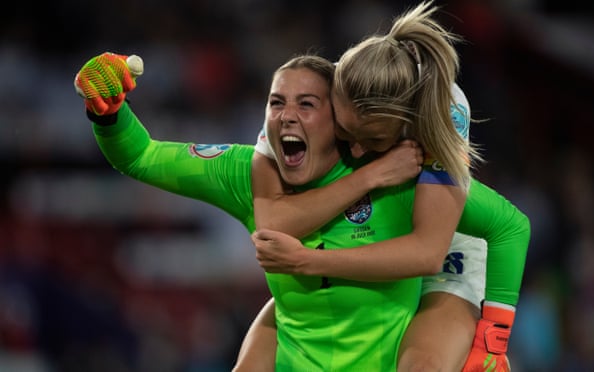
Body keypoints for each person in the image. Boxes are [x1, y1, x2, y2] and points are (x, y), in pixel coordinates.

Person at [75, 51, 527, 370]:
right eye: (276, 103)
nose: (286, 116)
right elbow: (140, 156)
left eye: (307, 105)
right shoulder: (244, 173)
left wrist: (494, 332)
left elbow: (507, 226)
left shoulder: (402, 168)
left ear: (341, 120)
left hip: (422, 305)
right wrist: (108, 112)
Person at [239, 2, 529, 371]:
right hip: (359, 238)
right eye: (345, 134)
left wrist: (494, 338)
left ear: (407, 122)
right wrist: (369, 175)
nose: (356, 150)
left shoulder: (443, 112)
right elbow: (273, 222)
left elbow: (428, 252)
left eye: (372, 139)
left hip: (439, 261)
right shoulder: (316, 90)